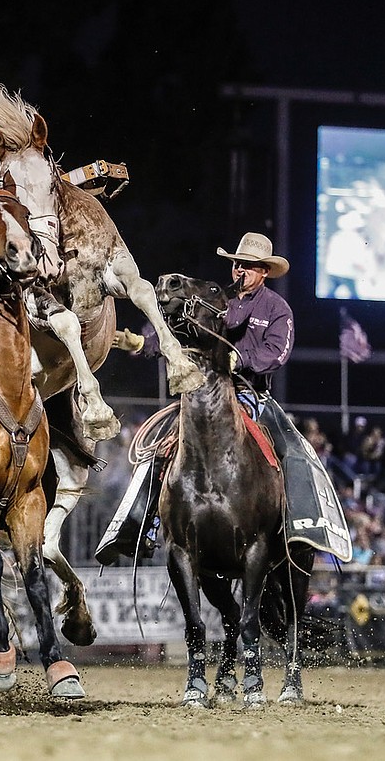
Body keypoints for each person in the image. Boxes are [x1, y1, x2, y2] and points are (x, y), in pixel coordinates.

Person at [97, 232, 348, 563]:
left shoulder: (277, 309)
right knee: (161, 447)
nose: (239, 271)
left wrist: (237, 357)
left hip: (252, 395)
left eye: (247, 266)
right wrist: (145, 344)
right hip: (205, 393)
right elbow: (182, 335)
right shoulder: (214, 299)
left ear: (263, 271)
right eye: (236, 265)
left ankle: (299, 531)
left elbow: (276, 353)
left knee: (293, 452)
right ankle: (140, 526)